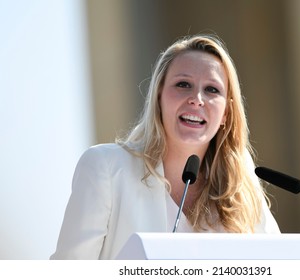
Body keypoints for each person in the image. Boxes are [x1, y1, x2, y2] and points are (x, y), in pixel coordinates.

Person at [50, 34, 280, 260]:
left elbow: (281, 267)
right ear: (158, 97)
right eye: (183, 84)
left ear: (226, 114)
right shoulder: (106, 168)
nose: (197, 98)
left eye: (212, 89)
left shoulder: (242, 188)